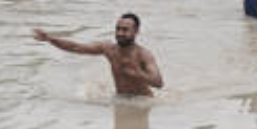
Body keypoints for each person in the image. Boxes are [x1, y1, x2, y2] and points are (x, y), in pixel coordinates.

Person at [32, 13, 163, 97]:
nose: (120, 33)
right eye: (118, 29)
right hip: (121, 99)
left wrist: (138, 73)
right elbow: (76, 47)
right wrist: (50, 39)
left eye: (125, 30)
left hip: (142, 103)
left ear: (136, 32)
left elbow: (158, 83)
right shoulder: (109, 49)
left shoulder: (143, 55)